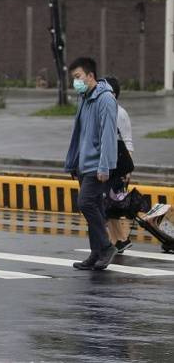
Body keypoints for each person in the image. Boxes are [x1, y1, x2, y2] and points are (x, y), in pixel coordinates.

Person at [65, 57, 119, 271]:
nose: (75, 82)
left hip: (98, 166)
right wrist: (73, 163)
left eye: (78, 77)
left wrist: (104, 166)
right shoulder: (84, 98)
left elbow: (108, 136)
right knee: (93, 207)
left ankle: (106, 247)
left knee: (85, 203)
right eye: (73, 79)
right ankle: (96, 253)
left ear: (90, 76)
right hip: (84, 165)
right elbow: (79, 135)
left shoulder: (105, 99)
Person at [102, 76, 135, 253]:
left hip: (118, 167)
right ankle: (118, 240)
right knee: (108, 205)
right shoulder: (105, 110)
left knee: (110, 206)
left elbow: (127, 142)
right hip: (108, 166)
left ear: (112, 94)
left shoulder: (120, 114)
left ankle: (120, 240)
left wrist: (126, 171)